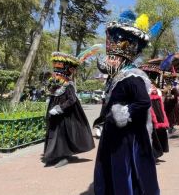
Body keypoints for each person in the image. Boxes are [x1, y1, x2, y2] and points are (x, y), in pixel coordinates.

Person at [94, 11, 160, 195]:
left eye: (113, 57)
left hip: (127, 140)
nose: (110, 59)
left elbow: (143, 102)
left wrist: (122, 113)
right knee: (111, 173)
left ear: (122, 57)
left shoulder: (133, 77)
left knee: (125, 175)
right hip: (113, 136)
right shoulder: (116, 77)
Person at [44, 52, 95, 168]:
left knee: (62, 135)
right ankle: (53, 155)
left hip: (65, 115)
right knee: (52, 133)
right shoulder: (55, 83)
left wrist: (59, 108)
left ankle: (64, 156)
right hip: (54, 114)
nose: (56, 72)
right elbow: (52, 94)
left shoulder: (68, 85)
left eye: (59, 69)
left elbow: (72, 100)